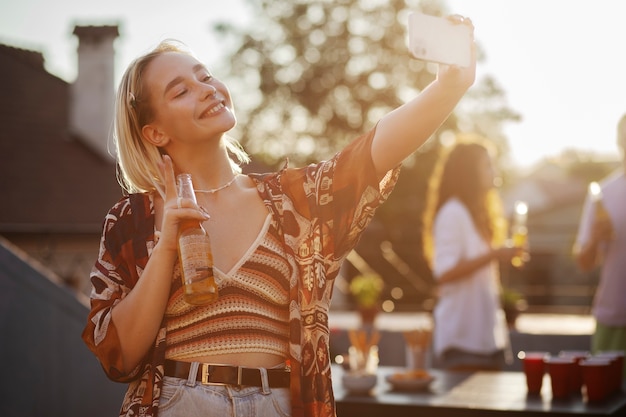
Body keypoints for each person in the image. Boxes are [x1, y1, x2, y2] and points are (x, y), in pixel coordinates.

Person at [82, 15, 476, 417]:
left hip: (277, 403)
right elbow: (121, 357)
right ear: (155, 134)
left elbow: (371, 154)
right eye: (181, 91)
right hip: (178, 403)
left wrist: (449, 87)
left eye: (206, 76)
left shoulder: (292, 202)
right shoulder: (130, 221)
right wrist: (167, 243)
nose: (207, 90)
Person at [421, 137, 523, 371]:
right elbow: (444, 273)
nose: (494, 171)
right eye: (487, 165)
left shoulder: (477, 214)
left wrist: (498, 254)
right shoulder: (453, 213)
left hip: (488, 341)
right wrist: (494, 254)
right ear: (469, 173)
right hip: (462, 343)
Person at [573, 113, 626, 378]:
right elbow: (583, 262)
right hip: (613, 317)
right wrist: (595, 238)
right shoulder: (602, 194)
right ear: (619, 141)